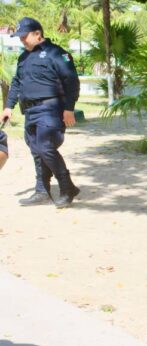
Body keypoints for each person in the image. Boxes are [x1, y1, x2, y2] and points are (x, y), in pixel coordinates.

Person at [1, 17, 80, 207]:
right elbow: (17, 83)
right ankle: (42, 190)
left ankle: (66, 186)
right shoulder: (24, 57)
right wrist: (8, 107)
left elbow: (72, 81)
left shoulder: (57, 54)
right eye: (19, 37)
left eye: (24, 36)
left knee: (45, 146)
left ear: (37, 34)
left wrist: (69, 109)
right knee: (36, 150)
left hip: (51, 108)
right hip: (30, 110)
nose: (21, 40)